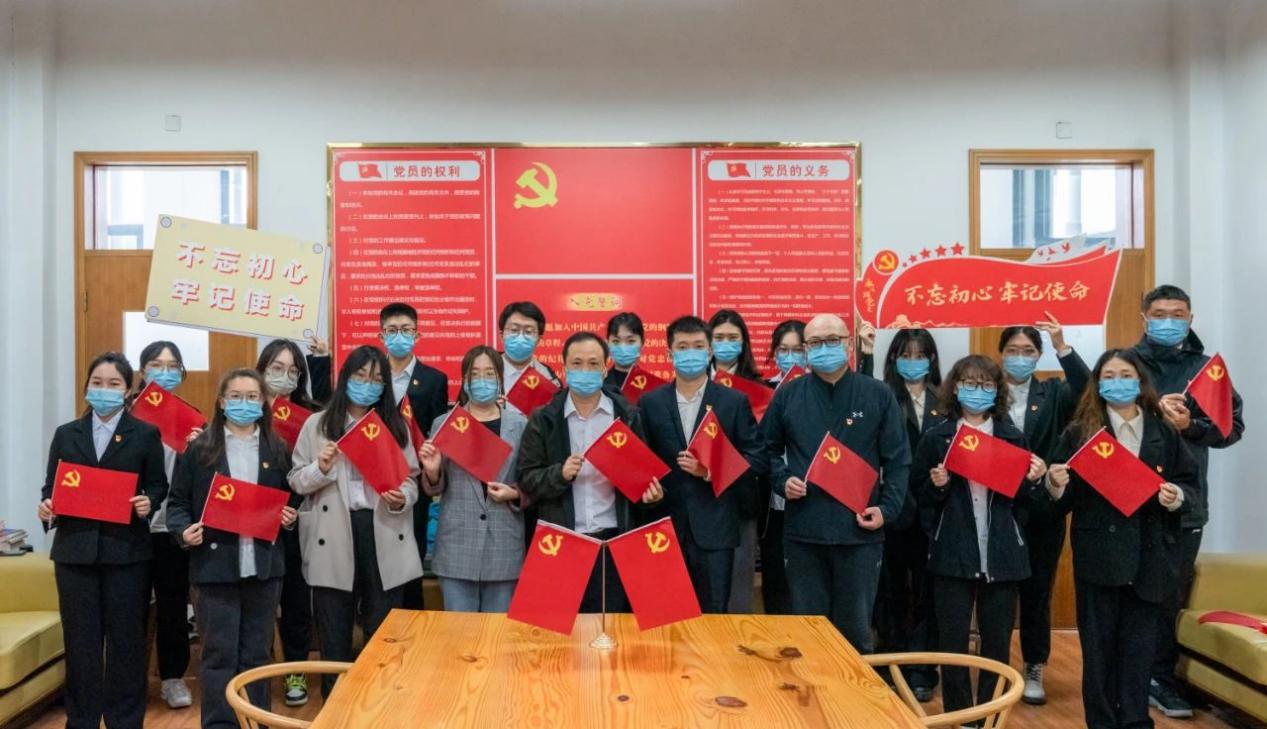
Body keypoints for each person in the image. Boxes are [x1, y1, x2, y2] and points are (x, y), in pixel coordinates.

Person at [1046, 348, 1200, 729]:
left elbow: (1189, 485)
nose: (1118, 383)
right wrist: (1054, 484)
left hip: (1149, 557)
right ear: (1097, 384)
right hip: (1100, 557)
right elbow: (1059, 499)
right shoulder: (1081, 433)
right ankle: (1101, 723)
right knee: (1098, 653)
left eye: (1126, 375)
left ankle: (1135, 722)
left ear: (1140, 382)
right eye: (1109, 376)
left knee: (1139, 651)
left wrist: (1176, 497)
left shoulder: (1163, 431)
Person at [1129, 286, 1245, 719]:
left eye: (1177, 314)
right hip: (1128, 497)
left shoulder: (1206, 370)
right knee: (1129, 589)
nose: (1168, 321)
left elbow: (1231, 428)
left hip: (1186, 499)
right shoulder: (1126, 364)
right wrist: (1150, 411)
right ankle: (1130, 676)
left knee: (1170, 592)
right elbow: (1097, 418)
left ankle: (1161, 677)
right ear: (1144, 317)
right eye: (1159, 313)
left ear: (1190, 319)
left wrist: (1190, 425)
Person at [763, 313, 910, 652]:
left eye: (832, 340)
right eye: (815, 342)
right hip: (804, 534)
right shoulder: (788, 395)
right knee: (808, 635)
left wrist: (886, 509)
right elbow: (765, 450)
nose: (824, 348)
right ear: (806, 349)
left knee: (855, 634)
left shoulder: (878, 394)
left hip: (859, 534)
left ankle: (854, 688)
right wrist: (782, 480)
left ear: (848, 345)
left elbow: (898, 460)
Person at [911, 354, 1048, 716]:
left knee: (997, 643)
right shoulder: (937, 437)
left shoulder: (1013, 437)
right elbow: (919, 497)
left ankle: (990, 715)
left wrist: (1034, 481)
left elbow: (1027, 503)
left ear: (997, 390)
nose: (978, 391)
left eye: (986, 384)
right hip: (952, 553)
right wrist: (938, 486)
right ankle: (962, 716)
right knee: (952, 643)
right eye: (970, 383)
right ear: (955, 388)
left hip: (1002, 554)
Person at [38, 352, 168, 729]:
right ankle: (81, 719)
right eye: (97, 382)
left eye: (114, 384)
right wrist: (47, 507)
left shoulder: (146, 434)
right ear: (87, 386)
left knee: (126, 642)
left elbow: (157, 485)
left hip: (126, 553)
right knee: (81, 644)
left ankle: (125, 720)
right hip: (74, 554)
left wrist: (148, 502)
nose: (104, 389)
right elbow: (51, 488)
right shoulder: (67, 434)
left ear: (128, 390)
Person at [165, 368, 298, 729]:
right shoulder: (200, 449)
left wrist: (289, 516)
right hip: (214, 569)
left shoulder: (277, 448)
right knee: (218, 656)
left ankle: (254, 722)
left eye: (252, 397)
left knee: (257, 655)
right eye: (235, 396)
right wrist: (183, 531)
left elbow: (291, 499)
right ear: (222, 402)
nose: (244, 403)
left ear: (263, 403)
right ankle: (220, 725)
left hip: (263, 568)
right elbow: (176, 503)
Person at [287, 345, 423, 695]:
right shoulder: (317, 424)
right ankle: (334, 705)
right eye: (361, 376)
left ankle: (379, 706)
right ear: (345, 377)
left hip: (383, 530)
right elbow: (296, 480)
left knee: (383, 634)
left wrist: (402, 498)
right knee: (333, 633)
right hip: (333, 533)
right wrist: (321, 468)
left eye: (376, 379)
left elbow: (412, 480)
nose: (367, 384)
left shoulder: (395, 425)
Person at [516, 331, 664, 612]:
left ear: (605, 368)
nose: (585, 370)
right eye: (577, 363)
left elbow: (644, 477)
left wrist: (651, 495)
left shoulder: (627, 416)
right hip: (561, 542)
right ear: (564, 367)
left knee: (611, 626)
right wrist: (559, 474)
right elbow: (526, 479)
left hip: (615, 540)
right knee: (559, 627)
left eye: (593, 363)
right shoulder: (544, 418)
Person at [639, 316, 767, 612]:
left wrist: (710, 470)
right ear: (669, 353)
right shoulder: (650, 403)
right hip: (664, 528)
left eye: (698, 346)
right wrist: (647, 491)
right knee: (666, 615)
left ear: (710, 351)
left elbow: (757, 459)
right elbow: (643, 461)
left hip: (716, 529)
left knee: (712, 616)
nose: (690, 353)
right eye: (682, 347)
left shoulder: (733, 402)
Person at [997, 315, 1090, 704]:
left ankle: (1034, 665)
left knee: (1037, 593)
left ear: (1038, 356)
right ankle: (996, 667)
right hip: (997, 508)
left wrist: (1062, 347)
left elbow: (1088, 392)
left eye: (1028, 351)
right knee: (997, 595)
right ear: (1000, 354)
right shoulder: (985, 391)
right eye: (1012, 350)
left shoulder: (1053, 393)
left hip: (1042, 510)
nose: (1020, 357)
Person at [419, 345, 527, 612]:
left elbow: (530, 479)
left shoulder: (520, 425)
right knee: (458, 634)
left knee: (498, 634)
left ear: (500, 379)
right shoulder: (445, 423)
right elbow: (436, 486)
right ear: (465, 380)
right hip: (457, 546)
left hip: (504, 546)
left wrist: (514, 493)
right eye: (474, 374)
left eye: (489, 373)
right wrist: (432, 471)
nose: (482, 380)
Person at [873, 328, 945, 701]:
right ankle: (892, 665)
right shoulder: (881, 395)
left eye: (920, 355)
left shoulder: (945, 399)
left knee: (927, 594)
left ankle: (922, 670)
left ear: (931, 359)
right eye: (905, 354)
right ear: (894, 359)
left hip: (933, 510)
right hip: (892, 509)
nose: (913, 362)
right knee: (890, 592)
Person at [255, 338, 321, 706]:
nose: (284, 376)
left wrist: (294, 508)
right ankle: (255, 673)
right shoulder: (245, 408)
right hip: (250, 519)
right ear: (262, 370)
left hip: (295, 519)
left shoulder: (309, 416)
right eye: (277, 368)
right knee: (256, 602)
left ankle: (295, 672)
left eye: (293, 370)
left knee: (296, 601)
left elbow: (311, 470)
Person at [135, 340, 198, 709]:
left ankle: (173, 678)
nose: (165, 372)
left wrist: (199, 448)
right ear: (142, 370)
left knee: (173, 606)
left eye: (173, 366)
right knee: (131, 606)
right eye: (157, 365)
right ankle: (130, 680)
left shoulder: (189, 418)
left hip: (171, 529)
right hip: (132, 526)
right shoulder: (126, 414)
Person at [376, 303, 449, 611]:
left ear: (417, 334)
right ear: (381, 336)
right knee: (377, 558)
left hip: (414, 480)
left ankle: (411, 617)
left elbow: (437, 431)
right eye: (392, 330)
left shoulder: (434, 379)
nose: (399, 336)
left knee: (412, 555)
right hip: (376, 478)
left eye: (406, 330)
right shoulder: (370, 376)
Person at [707, 309, 766, 612]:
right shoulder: (689, 383)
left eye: (732, 338)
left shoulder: (759, 390)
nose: (725, 344)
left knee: (738, 587)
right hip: (697, 496)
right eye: (719, 337)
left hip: (739, 497)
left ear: (743, 343)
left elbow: (760, 450)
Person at [760, 319, 806, 615]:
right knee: (776, 579)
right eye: (783, 350)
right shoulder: (761, 392)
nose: (790, 356)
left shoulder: (821, 389)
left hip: (811, 499)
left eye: (798, 350)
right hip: (773, 502)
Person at [499, 301, 561, 398]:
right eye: (514, 330)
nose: (520, 337)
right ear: (501, 335)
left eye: (528, 331)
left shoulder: (548, 378)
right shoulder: (482, 370)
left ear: (539, 339)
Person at [605, 311, 646, 391]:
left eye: (631, 341)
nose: (623, 347)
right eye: (616, 341)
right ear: (608, 343)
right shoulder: (598, 385)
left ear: (642, 343)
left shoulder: (654, 387)